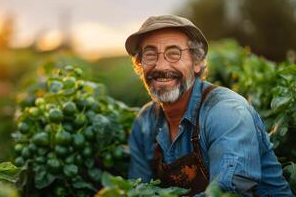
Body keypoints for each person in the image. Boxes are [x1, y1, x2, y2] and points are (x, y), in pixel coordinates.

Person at [125, 15, 293, 196]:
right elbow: (138, 189)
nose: (161, 65)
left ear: (196, 62)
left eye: (173, 54)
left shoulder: (226, 112)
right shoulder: (145, 122)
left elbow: (228, 193)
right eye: (150, 55)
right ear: (140, 65)